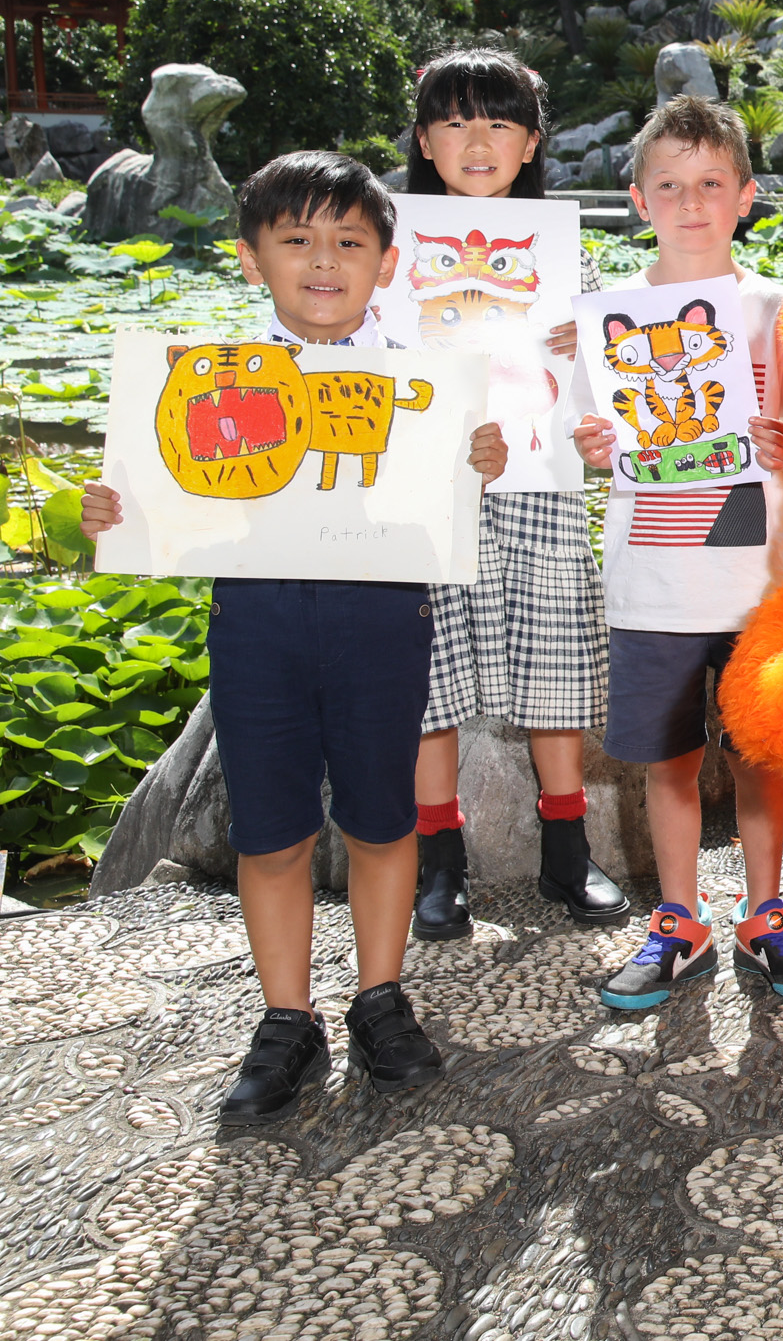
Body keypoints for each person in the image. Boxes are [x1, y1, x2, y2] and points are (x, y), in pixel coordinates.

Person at [81, 153, 508, 1121]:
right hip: (258, 625)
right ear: (251, 259)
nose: (325, 261)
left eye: (350, 242)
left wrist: (476, 459)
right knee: (269, 832)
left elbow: (439, 500)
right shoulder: (199, 388)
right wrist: (116, 506)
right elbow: (157, 502)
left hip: (381, 623)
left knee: (382, 818)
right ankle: (286, 1020)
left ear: (387, 265)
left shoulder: (423, 389)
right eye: (297, 240)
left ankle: (379, 998)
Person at [573, 96, 783, 1009]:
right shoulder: (606, 321)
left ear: (747, 196)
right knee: (670, 760)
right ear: (639, 199)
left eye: (712, 184)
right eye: (671, 186)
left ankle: (768, 911)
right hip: (651, 580)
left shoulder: (774, 310)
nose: (692, 203)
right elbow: (586, 435)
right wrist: (593, 448)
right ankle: (679, 919)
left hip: (755, 578)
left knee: (762, 754)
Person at [403, 49, 627, 941]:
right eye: (454, 121)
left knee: (557, 665)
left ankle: (566, 850)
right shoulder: (385, 250)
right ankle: (438, 862)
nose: (477, 139)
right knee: (429, 676)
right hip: (426, 490)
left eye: (499, 121)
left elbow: (609, 401)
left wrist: (591, 347)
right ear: (424, 141)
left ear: (532, 142)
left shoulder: (569, 261)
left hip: (540, 478)